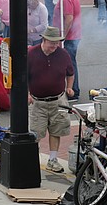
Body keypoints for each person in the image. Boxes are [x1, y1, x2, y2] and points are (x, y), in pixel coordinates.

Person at [28, 27, 74, 173]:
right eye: (52, 43)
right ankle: (32, 161)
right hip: (37, 102)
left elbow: (70, 73)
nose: (54, 46)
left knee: (56, 130)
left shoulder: (63, 54)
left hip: (58, 100)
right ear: (44, 40)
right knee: (35, 133)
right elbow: (22, 76)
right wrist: (27, 94)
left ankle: (52, 160)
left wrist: (70, 87)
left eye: (57, 43)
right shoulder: (31, 54)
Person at [54, 0, 82, 98]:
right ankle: (73, 90)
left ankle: (73, 91)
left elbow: (69, 18)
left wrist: (63, 36)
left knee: (70, 64)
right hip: (73, 35)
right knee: (71, 62)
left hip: (70, 37)